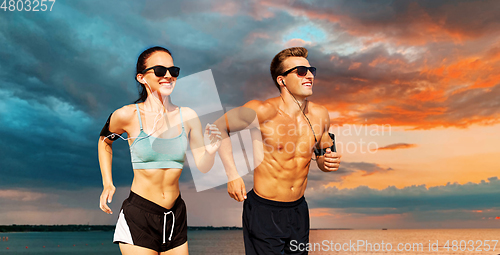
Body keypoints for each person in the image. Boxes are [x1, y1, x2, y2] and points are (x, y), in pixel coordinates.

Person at [214, 47, 341, 254]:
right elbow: (217, 128)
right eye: (301, 71)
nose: (309, 75)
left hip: (299, 211)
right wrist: (232, 174)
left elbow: (321, 153)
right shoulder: (262, 111)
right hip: (264, 211)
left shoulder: (321, 115)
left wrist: (326, 163)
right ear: (282, 80)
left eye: (311, 70)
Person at [98, 46, 221, 255]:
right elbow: (104, 141)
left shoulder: (188, 116)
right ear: (141, 77)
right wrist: (107, 183)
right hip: (140, 215)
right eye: (159, 71)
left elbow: (203, 166)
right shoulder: (126, 115)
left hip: (175, 215)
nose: (168, 76)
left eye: (173, 71)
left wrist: (211, 150)